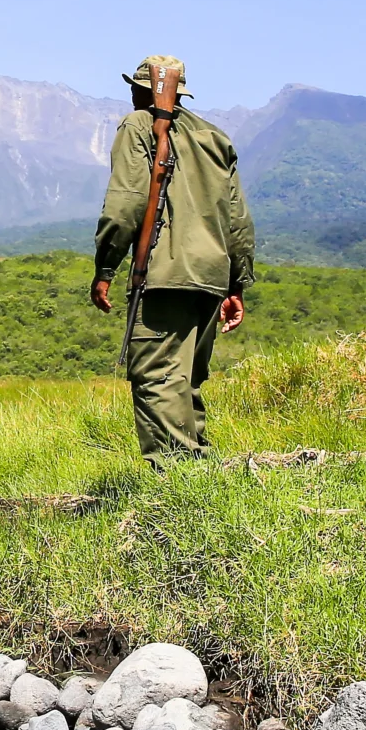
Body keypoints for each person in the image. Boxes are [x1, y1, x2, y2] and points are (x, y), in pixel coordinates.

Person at [91, 54, 257, 460]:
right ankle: (201, 482)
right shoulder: (215, 138)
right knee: (185, 381)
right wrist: (236, 284)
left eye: (134, 87)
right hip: (212, 277)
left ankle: (180, 485)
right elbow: (238, 219)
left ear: (141, 90)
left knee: (156, 379)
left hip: (165, 273)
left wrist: (106, 267)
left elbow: (124, 203)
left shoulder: (138, 126)